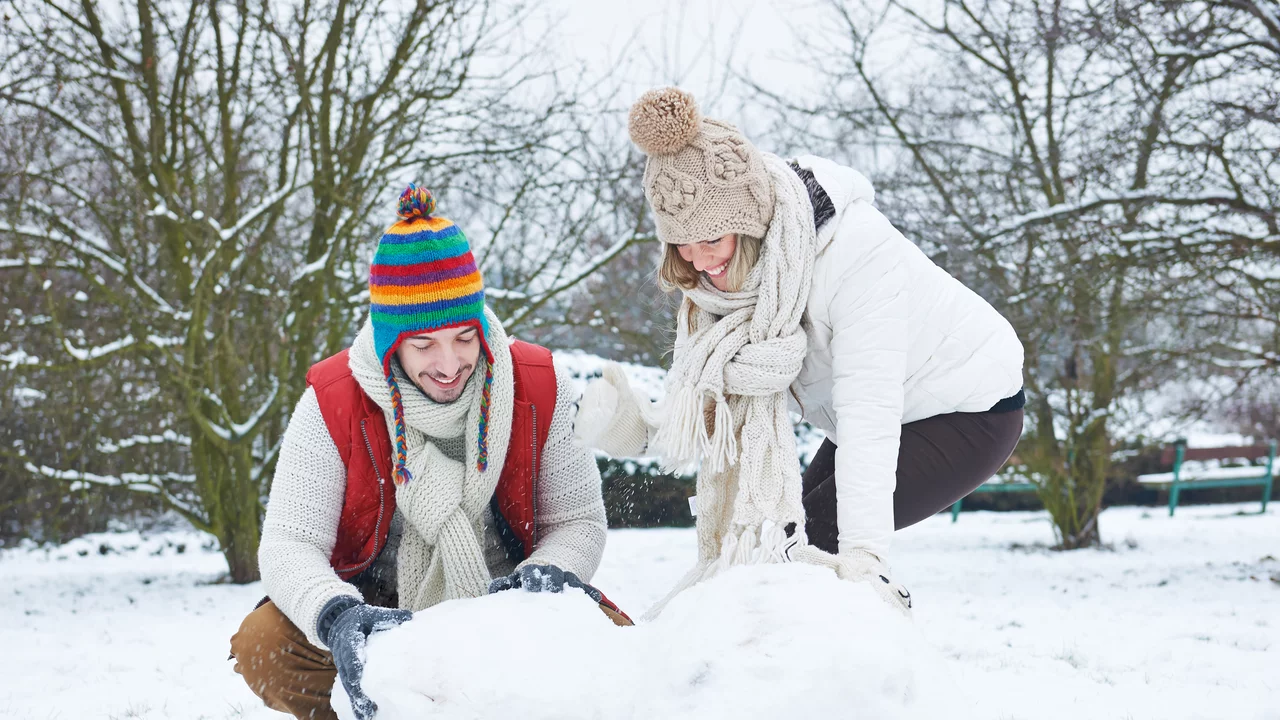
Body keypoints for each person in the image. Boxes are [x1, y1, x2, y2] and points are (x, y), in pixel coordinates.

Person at [577, 88, 1025, 616]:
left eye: (712, 240)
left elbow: (869, 411)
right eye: (682, 245)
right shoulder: (718, 287)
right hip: (871, 416)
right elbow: (705, 400)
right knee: (777, 540)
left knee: (817, 548)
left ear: (748, 221)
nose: (700, 263)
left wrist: (865, 555)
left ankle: (813, 675)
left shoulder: (855, 254)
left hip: (967, 410)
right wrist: (633, 427)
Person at [229, 185, 627, 720]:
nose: (449, 363)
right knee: (265, 643)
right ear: (392, 341)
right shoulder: (332, 400)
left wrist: (548, 578)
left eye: (465, 337)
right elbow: (288, 544)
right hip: (382, 619)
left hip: (512, 608)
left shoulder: (540, 385)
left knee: (624, 654)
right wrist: (340, 616)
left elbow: (577, 521)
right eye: (424, 345)